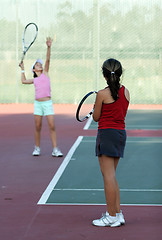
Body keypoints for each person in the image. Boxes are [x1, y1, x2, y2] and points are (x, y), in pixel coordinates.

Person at [92, 58, 130, 227]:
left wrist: (95, 108)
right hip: (120, 134)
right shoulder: (126, 92)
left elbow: (96, 117)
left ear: (104, 75)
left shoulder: (102, 94)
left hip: (106, 135)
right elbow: (120, 113)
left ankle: (111, 216)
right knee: (112, 176)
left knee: (108, 177)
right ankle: (118, 213)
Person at [19, 37, 63, 157]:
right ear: (34, 69)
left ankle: (55, 149)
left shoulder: (45, 74)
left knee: (52, 125)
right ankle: (37, 148)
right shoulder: (34, 80)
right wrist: (22, 69)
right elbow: (23, 81)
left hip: (47, 103)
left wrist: (49, 47)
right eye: (37, 65)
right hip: (38, 104)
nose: (40, 65)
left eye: (40, 64)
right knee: (37, 126)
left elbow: (48, 59)